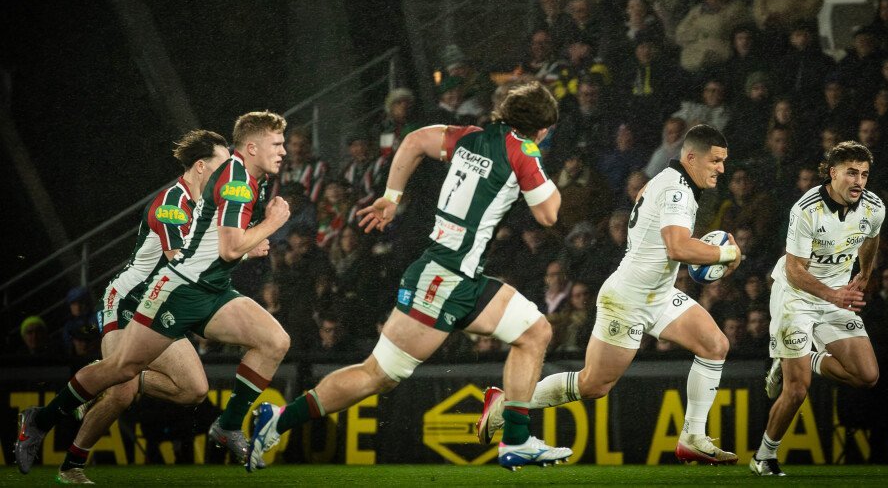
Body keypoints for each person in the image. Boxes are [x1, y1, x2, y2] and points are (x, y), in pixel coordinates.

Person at [245, 80, 572, 472]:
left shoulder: (470, 137)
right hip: (443, 280)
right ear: (540, 128)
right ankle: (278, 421)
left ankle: (515, 440)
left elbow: (416, 140)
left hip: (459, 275)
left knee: (535, 332)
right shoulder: (523, 151)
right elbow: (549, 214)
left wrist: (391, 196)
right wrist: (539, 164)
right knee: (378, 375)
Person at [15, 112, 292, 475]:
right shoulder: (182, 200)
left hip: (206, 289)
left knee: (223, 372)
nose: (283, 151)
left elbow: (213, 246)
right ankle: (49, 431)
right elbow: (189, 255)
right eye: (277, 144)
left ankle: (226, 426)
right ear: (201, 167)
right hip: (142, 294)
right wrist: (268, 226)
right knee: (121, 378)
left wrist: (245, 241)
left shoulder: (242, 182)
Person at [476, 124, 744, 465]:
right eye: (715, 161)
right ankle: (506, 404)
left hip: (658, 294)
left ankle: (693, 438)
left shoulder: (668, 181)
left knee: (715, 345)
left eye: (723, 161)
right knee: (593, 385)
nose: (721, 168)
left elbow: (665, 243)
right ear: (691, 158)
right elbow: (677, 248)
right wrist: (726, 254)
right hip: (629, 299)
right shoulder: (676, 190)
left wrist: (708, 257)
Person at [47, 130, 231, 484]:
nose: (228, 173)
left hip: (159, 304)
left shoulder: (208, 207)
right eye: (223, 165)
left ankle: (106, 374)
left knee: (194, 390)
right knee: (122, 392)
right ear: (200, 166)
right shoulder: (172, 203)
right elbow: (180, 262)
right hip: (129, 298)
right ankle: (71, 465)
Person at [749, 141, 884, 477]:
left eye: (864, 174)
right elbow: (795, 270)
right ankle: (764, 456)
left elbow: (871, 237)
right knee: (797, 389)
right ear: (832, 173)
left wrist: (865, 274)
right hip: (796, 297)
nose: (859, 181)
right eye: (851, 173)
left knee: (867, 376)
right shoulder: (806, 209)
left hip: (836, 296)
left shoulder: (873, 207)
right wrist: (832, 295)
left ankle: (804, 358)